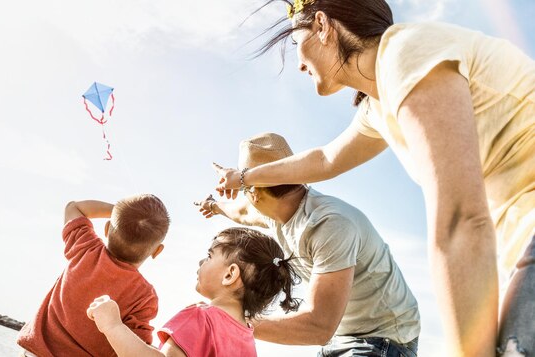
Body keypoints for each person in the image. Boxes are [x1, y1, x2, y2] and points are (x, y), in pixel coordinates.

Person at [212, 1, 535, 356]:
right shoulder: (380, 102)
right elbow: (324, 159)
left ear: (322, 25)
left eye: (296, 44)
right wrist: (244, 177)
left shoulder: (405, 54)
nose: (299, 64)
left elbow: (461, 222)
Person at [198, 132, 420, 356]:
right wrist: (214, 205)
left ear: (255, 194)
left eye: (246, 190)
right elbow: (239, 212)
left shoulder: (328, 225)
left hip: (385, 339)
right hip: (341, 335)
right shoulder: (274, 211)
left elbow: (319, 326)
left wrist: (236, 320)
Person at [86, 227, 300, 357]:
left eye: (209, 256)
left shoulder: (200, 317)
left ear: (229, 275)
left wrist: (112, 325)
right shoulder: (246, 338)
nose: (201, 261)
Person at [17, 195, 170, 357]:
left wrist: (119, 213)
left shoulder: (86, 249)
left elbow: (73, 208)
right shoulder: (144, 296)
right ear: (157, 251)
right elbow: (132, 348)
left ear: (107, 228)